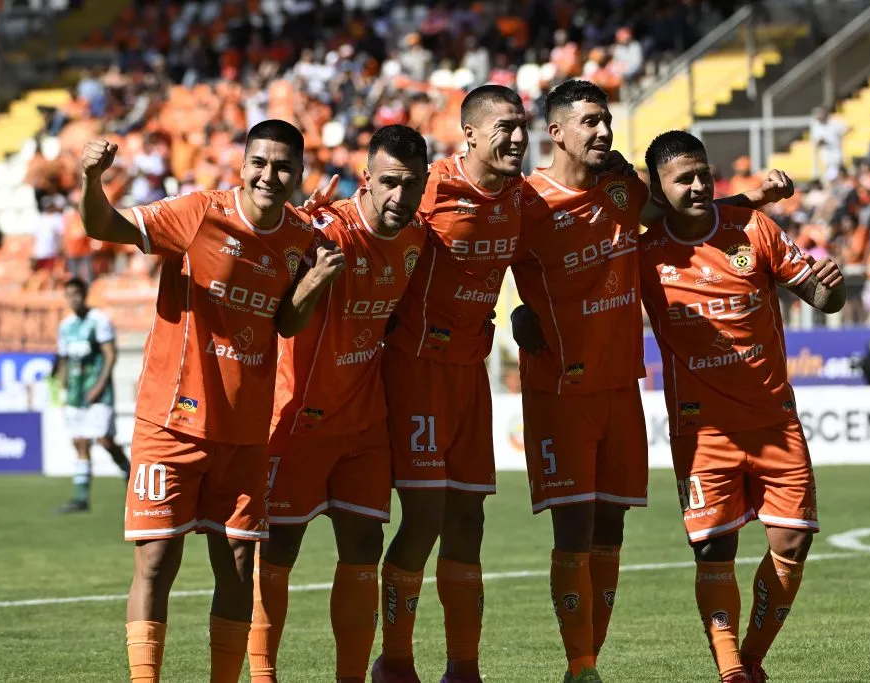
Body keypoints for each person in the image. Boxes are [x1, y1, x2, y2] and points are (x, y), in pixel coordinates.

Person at [509, 80, 794, 683]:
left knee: (610, 529)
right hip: (558, 390)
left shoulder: (622, 189)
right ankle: (579, 666)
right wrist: (507, 312)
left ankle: (593, 662)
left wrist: (752, 198)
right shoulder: (526, 202)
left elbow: (688, 212)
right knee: (575, 528)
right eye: (589, 122)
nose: (604, 131)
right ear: (556, 131)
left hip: (621, 388)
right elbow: (478, 261)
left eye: (607, 120)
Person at [78, 119, 343, 683]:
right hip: (170, 422)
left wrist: (313, 282)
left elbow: (286, 323)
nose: (269, 175)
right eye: (260, 163)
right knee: (156, 561)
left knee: (239, 564)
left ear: (298, 173)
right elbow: (102, 224)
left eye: (283, 166)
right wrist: (92, 179)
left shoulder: (299, 238)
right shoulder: (199, 213)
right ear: (242, 164)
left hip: (245, 428)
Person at [639, 131, 845, 683]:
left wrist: (833, 288)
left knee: (793, 541)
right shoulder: (645, 253)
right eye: (683, 178)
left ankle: (752, 657)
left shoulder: (754, 228)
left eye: (704, 173)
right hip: (701, 431)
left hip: (774, 420)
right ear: (658, 189)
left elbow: (823, 300)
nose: (699, 185)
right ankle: (732, 671)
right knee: (713, 550)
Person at [247, 125, 429, 683]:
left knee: (363, 549)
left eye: (412, 184)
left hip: (364, 425)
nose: (400, 197)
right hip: (299, 419)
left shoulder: (417, 238)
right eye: (390, 183)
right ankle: (262, 675)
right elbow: (284, 320)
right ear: (366, 180)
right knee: (279, 550)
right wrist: (308, 257)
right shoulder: (326, 234)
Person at [371, 84, 529, 683]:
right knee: (425, 517)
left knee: (470, 520)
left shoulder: (522, 197)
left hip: (471, 373)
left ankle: (464, 668)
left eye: (522, 126)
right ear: (469, 132)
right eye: (504, 126)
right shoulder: (428, 187)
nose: (516, 137)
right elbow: (369, 230)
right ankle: (396, 662)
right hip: (415, 369)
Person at [54, 276, 131, 513]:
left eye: (76, 293)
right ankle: (81, 498)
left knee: (105, 440)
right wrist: (63, 386)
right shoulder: (65, 326)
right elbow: (65, 360)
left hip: (99, 393)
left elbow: (110, 354)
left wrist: (100, 385)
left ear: (85, 294)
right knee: (79, 441)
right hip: (76, 394)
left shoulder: (99, 320)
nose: (73, 298)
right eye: (69, 295)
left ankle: (131, 481)